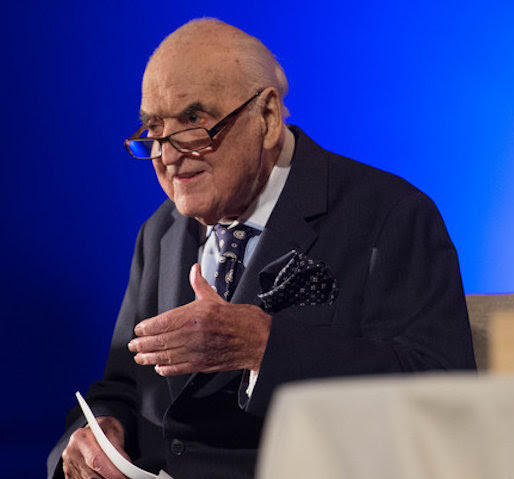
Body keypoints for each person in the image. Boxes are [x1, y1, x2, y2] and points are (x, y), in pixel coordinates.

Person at [48, 18, 476, 479]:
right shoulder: (161, 231)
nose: (168, 156)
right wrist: (102, 428)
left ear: (267, 118)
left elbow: (442, 395)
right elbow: (123, 387)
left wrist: (264, 347)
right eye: (154, 129)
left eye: (194, 122)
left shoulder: (389, 214)